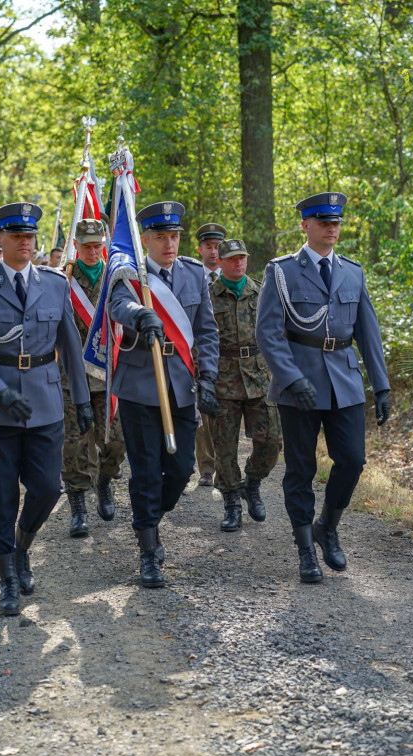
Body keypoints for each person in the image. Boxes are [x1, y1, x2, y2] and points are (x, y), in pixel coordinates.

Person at [0, 202, 92, 616]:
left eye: (30, 236)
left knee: (48, 488)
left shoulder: (54, 283)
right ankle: (7, 576)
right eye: (16, 236)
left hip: (45, 404)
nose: (25, 242)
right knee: (0, 495)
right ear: (0, 239)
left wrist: (81, 399)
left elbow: (69, 344)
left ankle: (23, 546)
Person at [256, 192, 390, 584]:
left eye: (336, 222)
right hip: (298, 382)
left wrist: (380, 386)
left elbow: (368, 331)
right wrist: (290, 377)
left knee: (352, 460)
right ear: (306, 225)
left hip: (345, 380)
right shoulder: (282, 271)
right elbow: (268, 332)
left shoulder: (352, 271)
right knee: (301, 468)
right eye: (323, 221)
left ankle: (326, 528)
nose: (332, 228)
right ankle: (305, 552)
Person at [108, 201, 219, 588]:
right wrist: (141, 313)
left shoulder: (192, 273)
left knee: (181, 469)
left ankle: (151, 516)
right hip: (140, 384)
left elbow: (206, 331)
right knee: (145, 471)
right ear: (146, 239)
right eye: (160, 237)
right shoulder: (130, 271)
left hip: (182, 384)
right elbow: (117, 305)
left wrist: (208, 378)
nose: (169, 244)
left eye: (173, 236)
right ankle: (149, 551)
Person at [208, 238, 281, 532]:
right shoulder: (209, 295)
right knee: (224, 448)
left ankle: (252, 483)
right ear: (221, 262)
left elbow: (277, 330)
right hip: (221, 379)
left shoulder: (261, 291)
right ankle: (231, 503)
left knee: (272, 440)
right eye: (232, 259)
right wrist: (201, 381)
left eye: (242, 258)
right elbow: (200, 338)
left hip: (259, 376)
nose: (238, 263)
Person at [61, 218, 125, 536]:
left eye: (96, 246)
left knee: (116, 440)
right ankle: (78, 509)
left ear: (104, 245)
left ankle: (104, 479)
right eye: (85, 245)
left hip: (108, 376)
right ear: (76, 245)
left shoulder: (116, 278)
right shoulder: (64, 281)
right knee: (74, 446)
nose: (91, 251)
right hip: (71, 379)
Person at [194, 223, 227, 487]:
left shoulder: (235, 276)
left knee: (225, 412)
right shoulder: (192, 278)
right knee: (203, 414)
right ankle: (206, 467)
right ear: (200, 249)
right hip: (199, 355)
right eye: (209, 247)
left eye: (217, 247)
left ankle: (228, 467)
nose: (213, 252)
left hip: (229, 357)